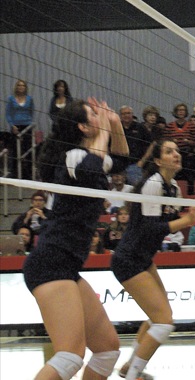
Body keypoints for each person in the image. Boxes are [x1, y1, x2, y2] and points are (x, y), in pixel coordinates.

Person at [22, 97, 129, 380]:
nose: (99, 115)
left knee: (107, 350)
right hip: (50, 263)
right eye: (93, 114)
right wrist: (104, 130)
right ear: (82, 127)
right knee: (70, 356)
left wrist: (114, 125)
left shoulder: (88, 157)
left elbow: (121, 161)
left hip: (66, 266)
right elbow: (91, 167)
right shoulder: (74, 157)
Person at [111, 139, 195, 380]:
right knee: (164, 322)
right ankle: (134, 375)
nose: (176, 154)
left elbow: (167, 223)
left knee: (158, 318)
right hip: (128, 259)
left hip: (142, 258)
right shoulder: (153, 184)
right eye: (169, 152)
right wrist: (187, 220)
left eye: (177, 150)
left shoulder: (174, 188)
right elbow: (150, 229)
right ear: (158, 160)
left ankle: (129, 367)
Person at [163, 103, 195, 195]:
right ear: (176, 112)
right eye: (179, 110)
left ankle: (190, 195)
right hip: (174, 155)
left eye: (183, 110)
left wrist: (189, 142)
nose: (181, 112)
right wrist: (172, 141)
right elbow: (164, 140)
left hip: (188, 156)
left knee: (189, 178)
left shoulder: (191, 126)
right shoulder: (169, 126)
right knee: (173, 176)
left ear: (186, 112)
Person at [5, 79, 35, 179]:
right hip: (15, 126)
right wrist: (12, 125)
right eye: (19, 85)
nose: (21, 87)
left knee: (27, 150)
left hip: (27, 126)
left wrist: (29, 122)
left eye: (23, 85)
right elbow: (8, 113)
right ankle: (14, 173)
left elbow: (31, 112)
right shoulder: (11, 99)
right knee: (14, 151)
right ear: (16, 87)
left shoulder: (29, 99)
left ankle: (28, 174)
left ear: (25, 88)